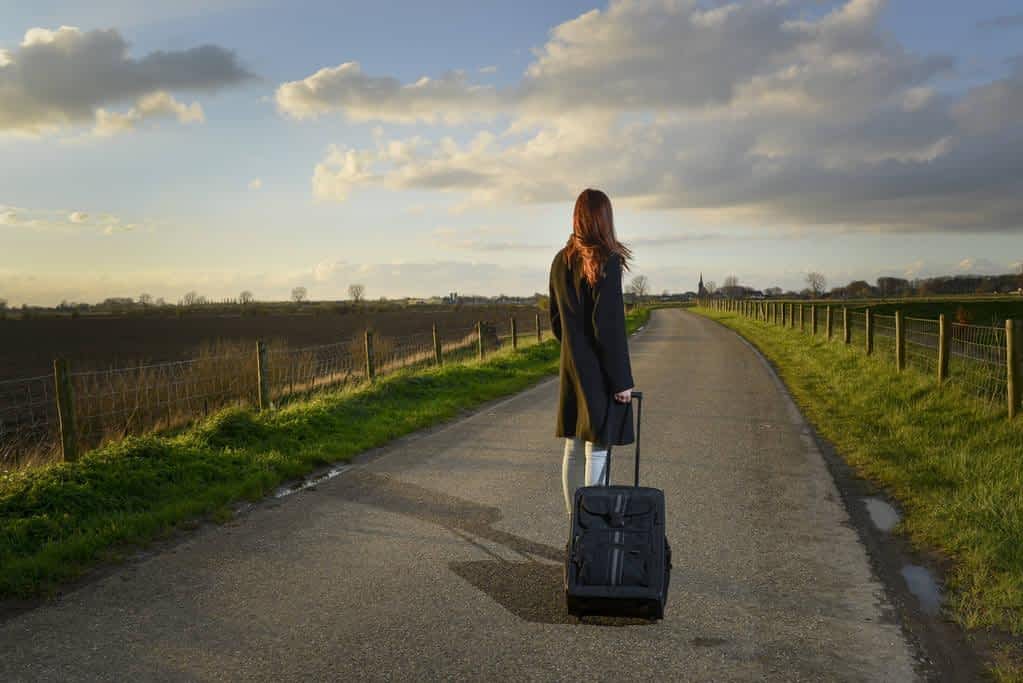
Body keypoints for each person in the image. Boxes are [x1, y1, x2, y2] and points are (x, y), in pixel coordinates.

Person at [549, 188, 636, 516]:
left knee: (573, 447)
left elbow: (556, 322)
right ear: (605, 219)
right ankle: (592, 534)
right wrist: (621, 381)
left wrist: (575, 350)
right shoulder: (607, 260)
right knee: (596, 450)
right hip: (599, 371)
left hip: (572, 366)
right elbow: (609, 327)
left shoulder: (560, 260)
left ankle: (577, 530)